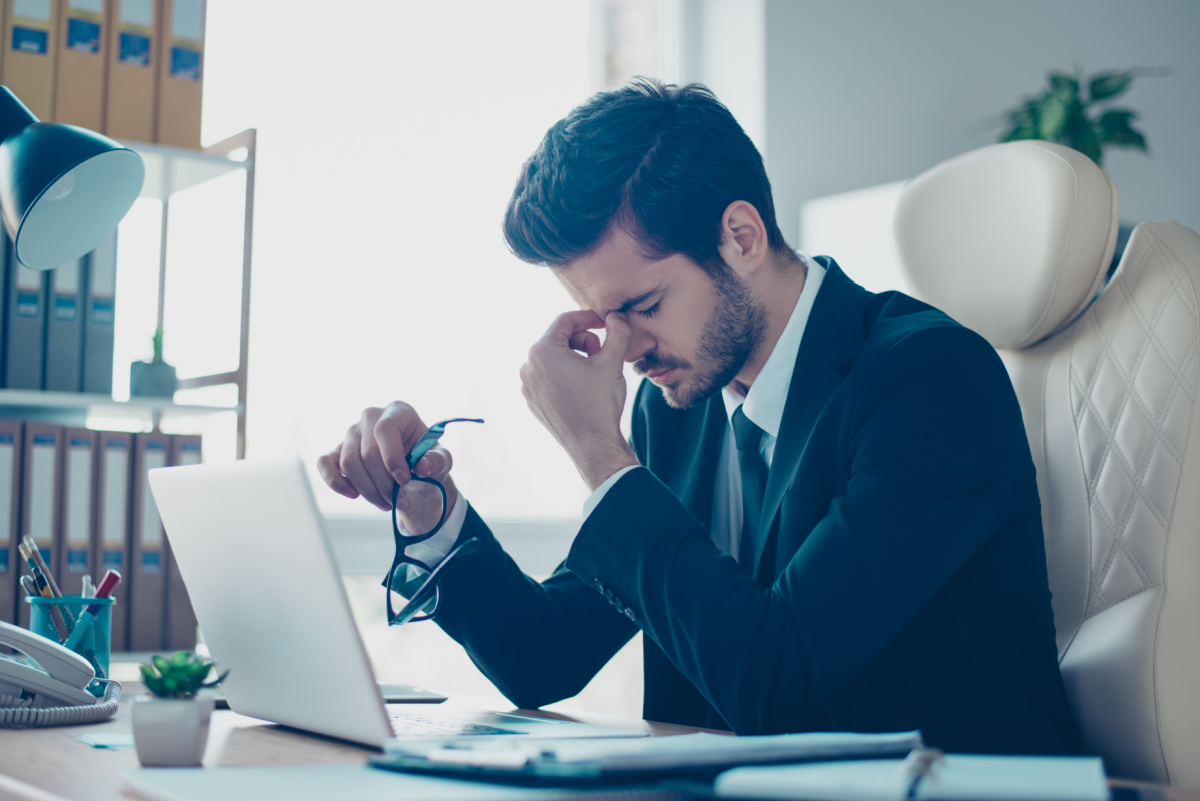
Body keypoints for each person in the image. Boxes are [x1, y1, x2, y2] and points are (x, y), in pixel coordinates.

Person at [317, 79, 1081, 754]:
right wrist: (432, 516)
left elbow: (776, 682)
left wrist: (597, 451)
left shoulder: (928, 380)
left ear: (741, 237)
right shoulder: (675, 410)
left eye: (642, 307)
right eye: (600, 318)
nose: (623, 349)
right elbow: (545, 656)